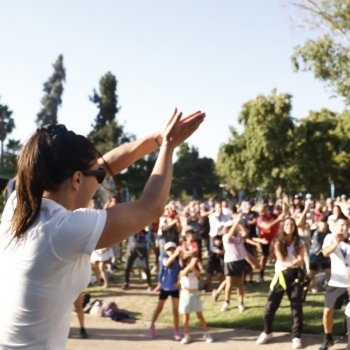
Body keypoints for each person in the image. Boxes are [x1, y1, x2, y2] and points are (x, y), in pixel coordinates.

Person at [0, 109, 205, 349]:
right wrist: (168, 147)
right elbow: (151, 206)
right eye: (96, 175)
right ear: (76, 180)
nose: (101, 178)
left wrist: (159, 139)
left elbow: (105, 164)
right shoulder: (63, 230)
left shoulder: (18, 206)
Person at [256, 217, 306, 349]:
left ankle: (296, 336)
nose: (289, 226)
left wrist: (298, 261)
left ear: (295, 227)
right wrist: (292, 263)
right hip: (281, 276)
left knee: (296, 307)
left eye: (292, 224)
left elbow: (301, 257)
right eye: (287, 224)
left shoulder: (300, 241)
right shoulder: (278, 241)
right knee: (270, 307)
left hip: (295, 276)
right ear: (283, 226)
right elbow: (281, 259)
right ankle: (267, 332)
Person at [318, 217, 350, 350]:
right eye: (341, 225)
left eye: (346, 225)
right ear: (336, 226)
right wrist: (337, 242)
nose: (344, 227)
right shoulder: (330, 238)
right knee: (327, 312)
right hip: (336, 282)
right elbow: (325, 252)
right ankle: (328, 338)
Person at [149, 241, 182, 341]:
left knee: (175, 311)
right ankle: (152, 325)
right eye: (169, 250)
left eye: (173, 249)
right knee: (159, 308)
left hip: (175, 289)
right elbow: (167, 264)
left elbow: (181, 270)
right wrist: (176, 253)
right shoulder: (164, 259)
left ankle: (176, 330)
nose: (171, 251)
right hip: (165, 288)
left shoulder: (178, 261)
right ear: (166, 251)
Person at [179, 257, 214, 344]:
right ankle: (186, 335)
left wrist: (193, 265)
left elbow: (198, 274)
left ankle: (206, 334)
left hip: (195, 295)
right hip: (185, 295)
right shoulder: (182, 272)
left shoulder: (195, 273)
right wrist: (191, 263)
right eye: (189, 263)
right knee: (186, 317)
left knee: (200, 316)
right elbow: (183, 273)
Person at [220, 214, 248, 312]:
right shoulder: (225, 237)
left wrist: (239, 223)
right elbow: (229, 235)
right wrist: (235, 222)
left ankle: (241, 303)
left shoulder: (239, 235)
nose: (233, 228)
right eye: (229, 227)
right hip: (230, 262)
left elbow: (245, 233)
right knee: (229, 284)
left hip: (239, 261)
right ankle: (226, 301)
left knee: (240, 284)